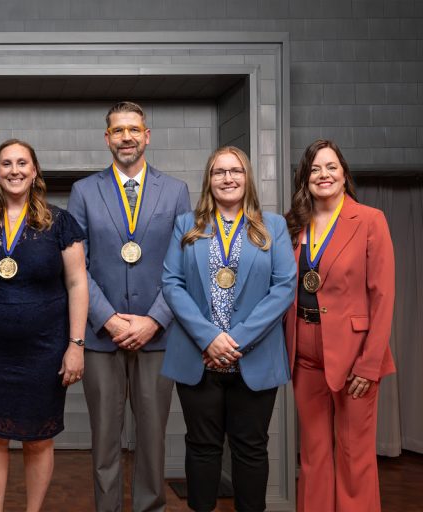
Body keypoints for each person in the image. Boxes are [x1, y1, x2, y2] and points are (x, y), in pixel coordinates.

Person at [66, 101, 190, 512]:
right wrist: (108, 319)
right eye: (118, 131)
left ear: (147, 135)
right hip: (104, 336)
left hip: (158, 337)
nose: (126, 137)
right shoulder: (84, 191)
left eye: (134, 129)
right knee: (104, 440)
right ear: (107, 138)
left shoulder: (175, 192)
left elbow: (182, 264)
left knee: (152, 439)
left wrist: (154, 319)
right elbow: (78, 265)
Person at [160, 146, 297, 512]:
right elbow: (171, 283)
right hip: (198, 358)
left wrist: (235, 339)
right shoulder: (186, 226)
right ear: (209, 179)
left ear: (247, 177)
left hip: (252, 358)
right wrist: (209, 337)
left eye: (235, 171)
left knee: (251, 449)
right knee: (202, 448)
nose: (228, 178)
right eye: (219, 172)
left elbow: (284, 286)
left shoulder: (274, 227)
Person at [0, 139, 88, 512]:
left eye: (22, 163)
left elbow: (78, 283)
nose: (14, 170)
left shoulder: (59, 221)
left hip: (44, 349)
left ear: (35, 172)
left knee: (39, 438)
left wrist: (76, 344)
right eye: (6, 164)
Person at [284, 139, 395, 512]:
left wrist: (369, 363)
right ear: (305, 178)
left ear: (344, 174)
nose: (323, 175)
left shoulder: (369, 220)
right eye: (314, 169)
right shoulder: (294, 223)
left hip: (355, 357)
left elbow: (383, 297)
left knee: (353, 456)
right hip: (305, 353)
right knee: (313, 456)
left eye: (331, 167)